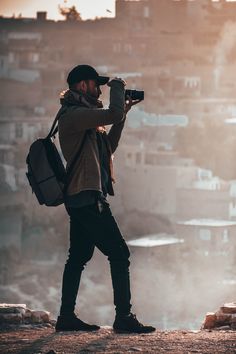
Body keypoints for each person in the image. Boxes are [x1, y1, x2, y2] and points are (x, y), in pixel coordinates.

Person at [55, 64, 156, 334]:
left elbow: (108, 148)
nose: (99, 89)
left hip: (82, 198)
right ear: (81, 85)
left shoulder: (85, 118)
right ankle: (123, 317)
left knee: (78, 257)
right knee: (119, 253)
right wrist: (118, 85)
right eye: (95, 84)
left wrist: (122, 115)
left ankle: (65, 317)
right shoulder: (74, 115)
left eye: (103, 85)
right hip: (87, 199)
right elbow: (111, 111)